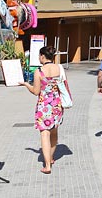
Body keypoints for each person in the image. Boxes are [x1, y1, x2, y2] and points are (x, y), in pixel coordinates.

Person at [21, 46, 64, 174]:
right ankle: (50, 157)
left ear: (43, 56)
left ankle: (47, 165)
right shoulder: (59, 68)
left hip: (44, 105)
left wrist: (26, 84)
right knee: (54, 132)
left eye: (40, 56)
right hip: (57, 104)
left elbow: (36, 91)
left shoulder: (39, 71)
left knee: (45, 134)